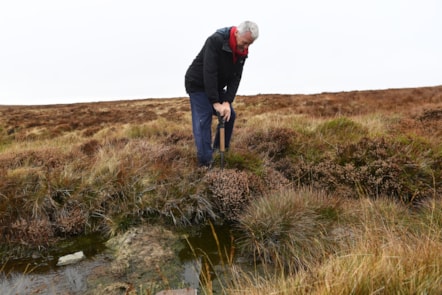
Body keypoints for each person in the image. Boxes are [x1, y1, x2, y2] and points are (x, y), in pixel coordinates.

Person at [185, 20, 259, 167]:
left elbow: (235, 78)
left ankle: (219, 152)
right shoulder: (216, 41)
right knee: (203, 118)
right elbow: (209, 71)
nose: (245, 47)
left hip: (216, 85)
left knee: (229, 115)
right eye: (244, 43)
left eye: (249, 45)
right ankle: (206, 163)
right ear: (237, 33)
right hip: (198, 83)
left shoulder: (242, 52)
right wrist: (215, 102)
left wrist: (226, 102)